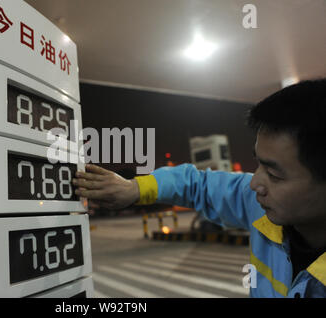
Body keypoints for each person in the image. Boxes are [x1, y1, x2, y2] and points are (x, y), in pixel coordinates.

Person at [73, 78, 326, 298]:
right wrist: (134, 189)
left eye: (273, 174)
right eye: (259, 164)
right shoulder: (259, 206)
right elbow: (196, 184)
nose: (254, 183)